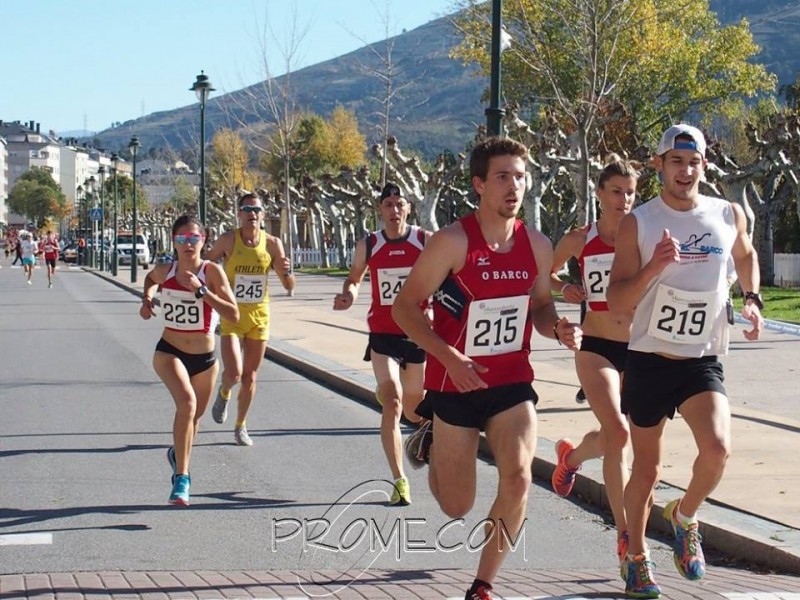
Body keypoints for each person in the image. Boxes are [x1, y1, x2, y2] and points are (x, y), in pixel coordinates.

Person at [392, 136, 581, 600]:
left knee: (517, 477)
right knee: (457, 506)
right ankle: (433, 434)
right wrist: (450, 357)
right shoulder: (452, 242)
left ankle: (483, 584)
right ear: (479, 184)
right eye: (502, 177)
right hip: (455, 384)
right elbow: (405, 309)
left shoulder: (537, 245)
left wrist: (556, 327)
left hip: (512, 383)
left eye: (520, 176)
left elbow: (538, 306)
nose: (513, 186)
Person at [607, 124, 763, 599]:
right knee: (648, 470)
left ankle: (684, 516)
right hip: (650, 359)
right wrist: (654, 266)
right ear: (659, 166)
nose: (685, 170)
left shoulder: (726, 212)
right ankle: (635, 557)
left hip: (701, 360)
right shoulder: (640, 222)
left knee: (717, 450)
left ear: (704, 166)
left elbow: (746, 254)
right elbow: (616, 300)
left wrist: (753, 299)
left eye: (693, 162)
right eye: (676, 162)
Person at [548, 154, 639, 571]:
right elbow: (540, 275)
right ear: (600, 194)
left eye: (631, 192)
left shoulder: (644, 234)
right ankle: (625, 536)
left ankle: (571, 458)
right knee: (619, 432)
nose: (624, 200)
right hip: (596, 345)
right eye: (616, 192)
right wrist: (565, 285)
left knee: (614, 435)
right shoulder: (580, 240)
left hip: (639, 349)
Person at [333, 182, 432, 507]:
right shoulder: (371, 244)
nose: (393, 210)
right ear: (380, 210)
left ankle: (420, 429)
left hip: (417, 332)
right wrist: (349, 295)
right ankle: (399, 480)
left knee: (415, 407)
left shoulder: (423, 240)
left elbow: (446, 273)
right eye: (388, 204)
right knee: (392, 402)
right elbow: (355, 277)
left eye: (399, 204)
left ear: (408, 208)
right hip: (383, 334)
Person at [139, 215, 239, 505]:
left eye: (194, 238)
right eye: (182, 239)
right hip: (169, 351)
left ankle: (175, 455)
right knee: (187, 403)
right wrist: (146, 300)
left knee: (193, 420)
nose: (188, 244)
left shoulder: (212, 273)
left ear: (203, 241)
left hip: (205, 359)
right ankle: (182, 478)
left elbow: (233, 314)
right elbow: (149, 280)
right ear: (174, 242)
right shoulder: (166, 271)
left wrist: (201, 290)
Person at [206, 193, 295, 446]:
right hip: (232, 315)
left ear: (263, 215)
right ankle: (224, 393)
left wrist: (287, 271)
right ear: (239, 214)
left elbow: (289, 284)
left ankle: (240, 425)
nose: (252, 214)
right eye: (246, 209)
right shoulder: (228, 240)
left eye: (256, 210)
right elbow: (207, 265)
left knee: (251, 376)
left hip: (259, 316)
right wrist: (213, 291)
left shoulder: (272, 244)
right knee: (234, 373)